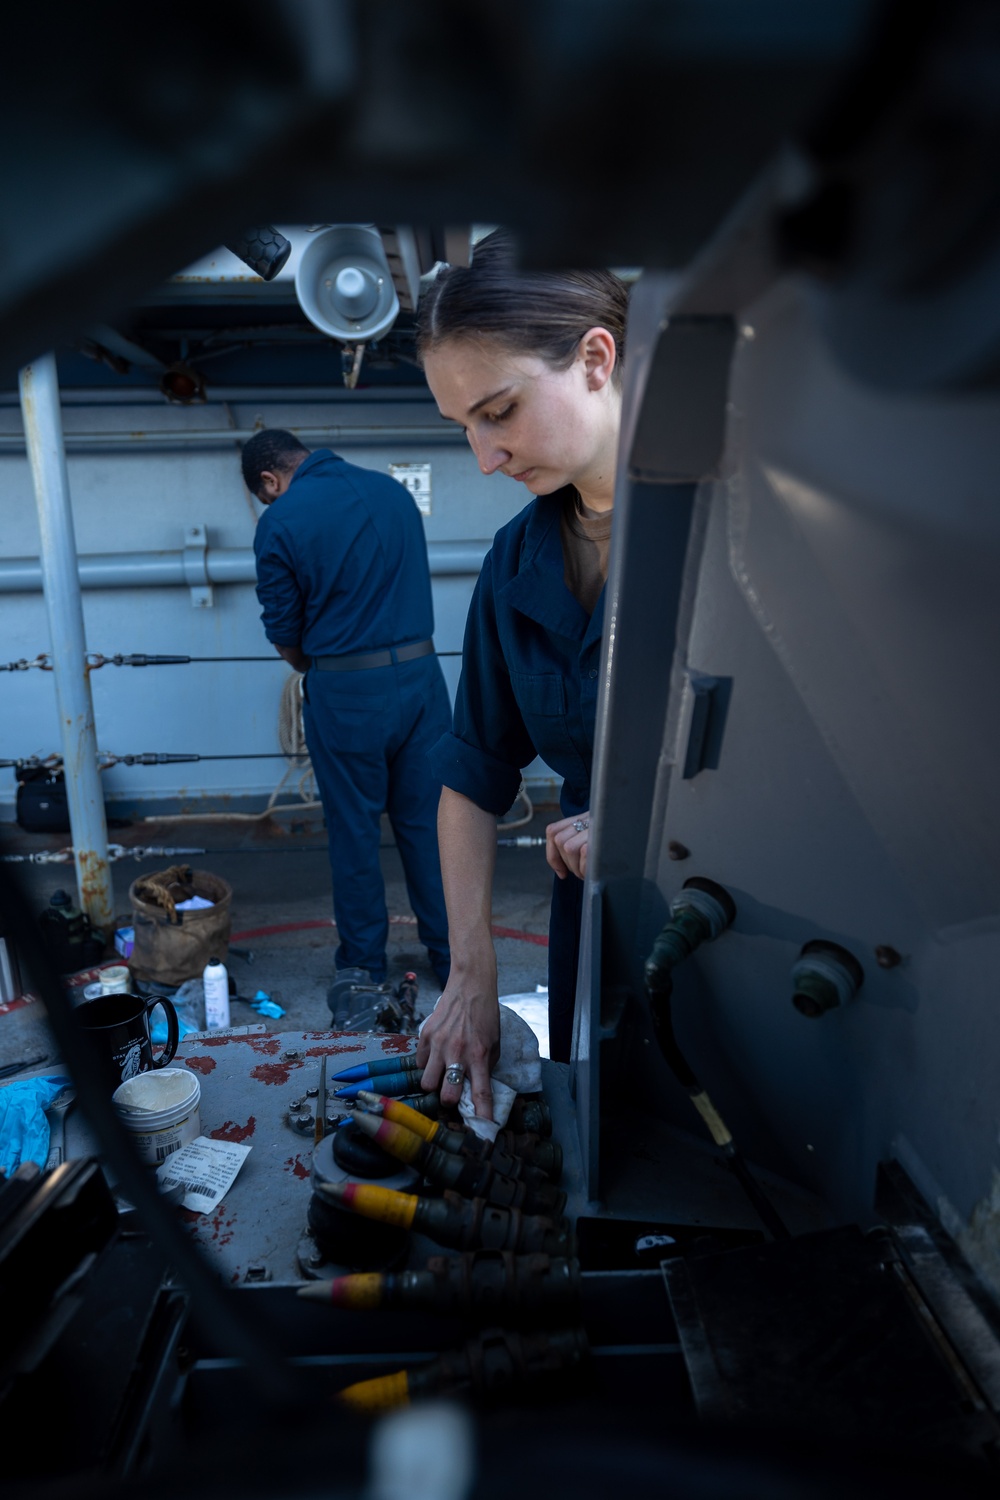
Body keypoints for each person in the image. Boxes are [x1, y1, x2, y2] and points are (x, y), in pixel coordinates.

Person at [414, 230, 628, 1118]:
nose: (485, 457)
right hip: (592, 925)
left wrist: (642, 828)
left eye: (498, 411)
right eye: (462, 428)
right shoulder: (516, 565)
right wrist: (470, 973)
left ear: (593, 357)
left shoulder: (743, 531)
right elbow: (474, 772)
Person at [246, 429, 452, 990]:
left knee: (354, 831)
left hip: (346, 689)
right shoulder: (393, 494)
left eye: (267, 494)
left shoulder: (281, 521)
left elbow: (285, 631)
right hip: (423, 681)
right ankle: (450, 953)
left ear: (271, 480)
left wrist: (309, 663)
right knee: (430, 825)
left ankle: (363, 963)